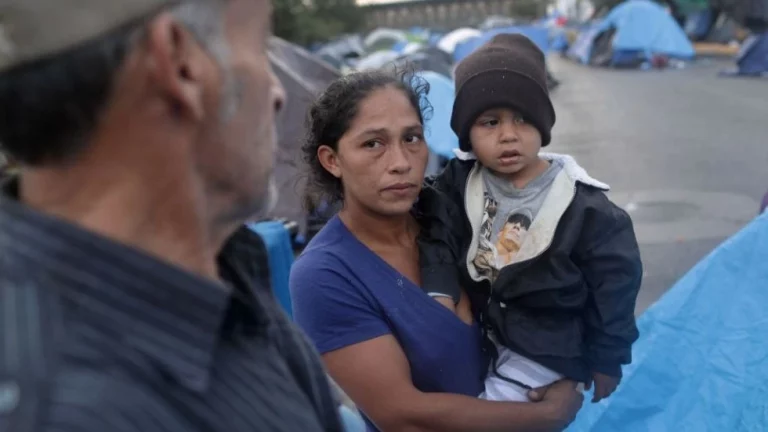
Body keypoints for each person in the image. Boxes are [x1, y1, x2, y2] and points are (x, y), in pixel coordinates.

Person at [0, 1, 343, 431]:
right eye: (260, 45)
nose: (277, 91)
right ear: (181, 64)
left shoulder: (226, 270)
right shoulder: (66, 410)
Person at [289, 69, 584, 432]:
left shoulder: (457, 218)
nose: (400, 161)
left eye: (412, 138)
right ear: (332, 160)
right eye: (373, 144)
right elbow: (402, 415)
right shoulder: (325, 274)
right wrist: (546, 415)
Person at [417, 34, 643, 404]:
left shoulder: (586, 208)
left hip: (547, 346)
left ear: (542, 124)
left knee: (493, 413)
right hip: (483, 331)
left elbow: (614, 289)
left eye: (523, 119)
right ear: (467, 134)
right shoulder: (458, 184)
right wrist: (440, 288)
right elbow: (436, 231)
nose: (508, 135)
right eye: (490, 122)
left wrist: (607, 359)